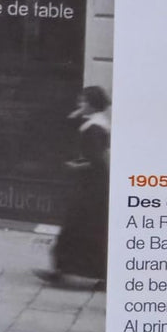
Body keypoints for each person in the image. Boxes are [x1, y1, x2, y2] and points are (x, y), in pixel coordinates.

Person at [35, 86, 112, 289]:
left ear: (91, 104)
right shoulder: (97, 123)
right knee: (82, 229)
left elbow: (95, 160)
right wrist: (75, 115)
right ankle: (65, 271)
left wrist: (74, 166)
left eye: (82, 102)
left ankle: (65, 271)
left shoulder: (94, 127)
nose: (79, 105)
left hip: (91, 186)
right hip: (94, 184)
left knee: (77, 228)